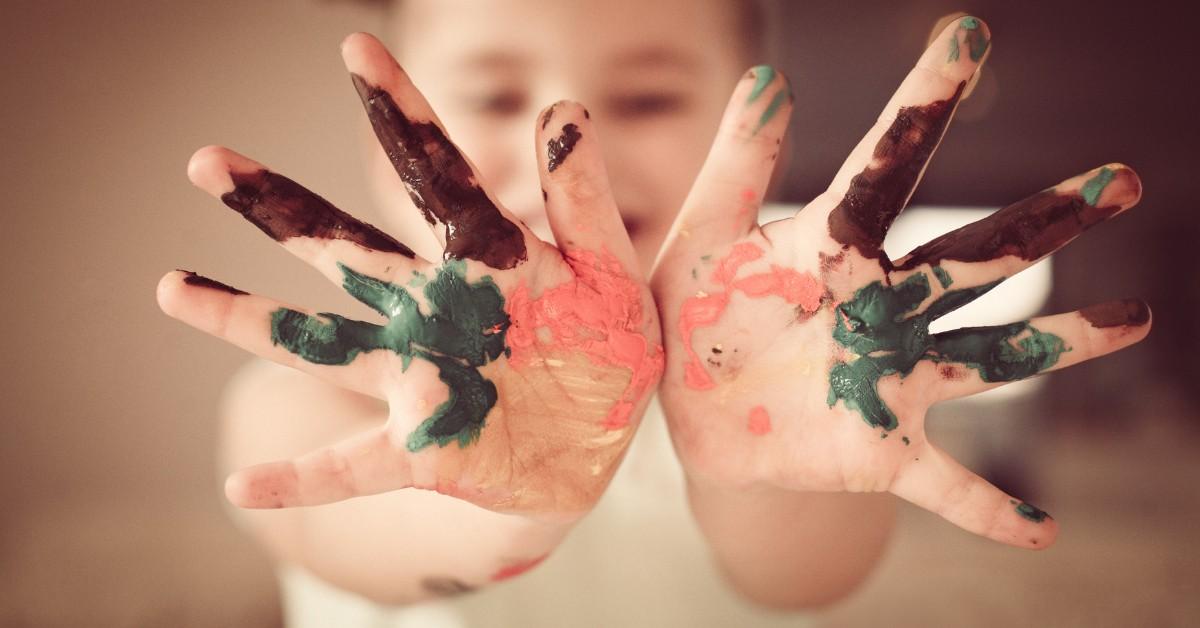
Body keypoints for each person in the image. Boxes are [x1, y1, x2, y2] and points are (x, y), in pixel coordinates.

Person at [155, 1, 1151, 625]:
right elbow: (368, 556)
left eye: (645, 99)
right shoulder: (297, 398)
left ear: (752, 135)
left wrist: (754, 465)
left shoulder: (789, 389)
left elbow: (806, 580)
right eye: (492, 94)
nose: (565, 133)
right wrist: (509, 484)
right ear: (391, 152)